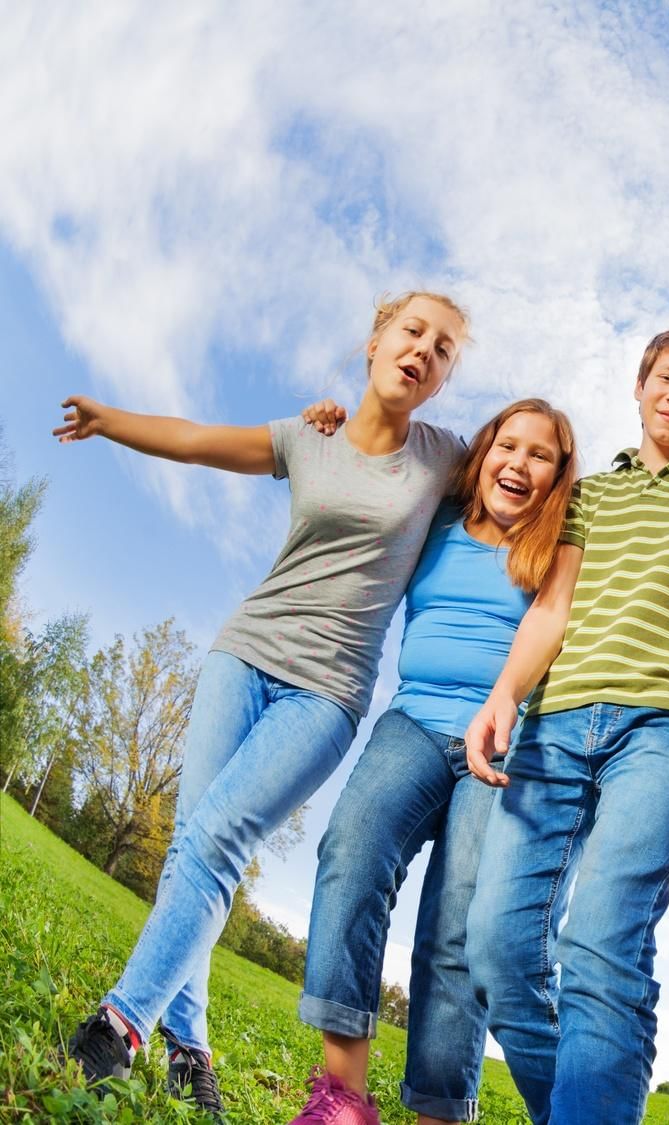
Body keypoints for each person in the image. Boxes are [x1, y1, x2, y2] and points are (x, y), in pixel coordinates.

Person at [56, 291, 469, 1120]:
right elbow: (197, 440)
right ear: (375, 342)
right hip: (243, 655)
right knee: (193, 845)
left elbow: (528, 476)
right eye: (413, 331)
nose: (424, 350)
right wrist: (109, 420)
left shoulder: (445, 459)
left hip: (327, 692)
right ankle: (190, 1048)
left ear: (441, 378)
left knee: (216, 837)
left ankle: (120, 1024)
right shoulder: (307, 436)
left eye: (444, 349)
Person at [462, 325, 669, 1124]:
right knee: (496, 944)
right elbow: (553, 605)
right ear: (639, 385)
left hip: (667, 729)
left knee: (601, 940)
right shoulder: (591, 495)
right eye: (667, 376)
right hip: (557, 722)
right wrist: (504, 693)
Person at [283, 398, 576, 1125]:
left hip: (506, 746)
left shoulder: (560, 548)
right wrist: (335, 421)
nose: (519, 463)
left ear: (557, 476)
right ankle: (342, 1097)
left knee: (457, 929)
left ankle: (439, 1114)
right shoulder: (435, 516)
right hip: (414, 720)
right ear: (483, 454)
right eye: (508, 445)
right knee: (351, 851)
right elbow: (376, 465)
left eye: (540, 454)